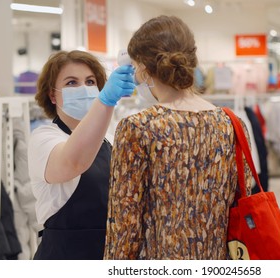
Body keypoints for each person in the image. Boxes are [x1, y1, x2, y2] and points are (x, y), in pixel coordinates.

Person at [103, 15, 253, 260]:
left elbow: (124, 223)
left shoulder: (138, 127)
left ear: (142, 67)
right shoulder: (233, 123)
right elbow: (241, 198)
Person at [27, 50, 135, 259]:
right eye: (71, 83)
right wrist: (106, 102)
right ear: (52, 95)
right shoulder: (44, 139)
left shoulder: (110, 141)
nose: (83, 89)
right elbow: (72, 163)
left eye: (90, 81)